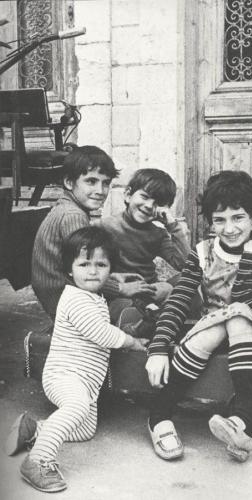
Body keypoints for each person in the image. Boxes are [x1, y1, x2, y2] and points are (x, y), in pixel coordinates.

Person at [145, 170, 252, 463]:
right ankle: (163, 416)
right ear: (210, 221)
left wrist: (250, 260)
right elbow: (180, 298)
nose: (229, 228)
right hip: (210, 332)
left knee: (236, 316)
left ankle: (241, 418)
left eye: (238, 217)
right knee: (222, 321)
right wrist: (158, 349)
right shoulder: (203, 251)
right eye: (219, 220)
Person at [5, 226, 147, 493]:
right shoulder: (76, 299)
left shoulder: (93, 296)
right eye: (84, 264)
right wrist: (132, 341)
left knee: (85, 429)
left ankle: (34, 429)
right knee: (77, 407)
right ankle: (38, 461)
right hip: (64, 376)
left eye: (101, 265)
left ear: (110, 269)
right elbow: (101, 333)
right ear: (69, 270)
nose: (92, 271)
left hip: (84, 381)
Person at [32, 145, 119, 321]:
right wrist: (120, 288)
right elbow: (86, 271)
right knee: (130, 308)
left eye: (106, 183)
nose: (100, 191)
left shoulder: (68, 207)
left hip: (60, 294)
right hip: (66, 302)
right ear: (69, 182)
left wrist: (117, 278)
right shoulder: (73, 216)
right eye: (91, 181)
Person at [99, 168, 191, 326]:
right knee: (127, 312)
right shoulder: (104, 227)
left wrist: (173, 227)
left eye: (157, 203)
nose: (149, 205)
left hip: (149, 290)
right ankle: (147, 322)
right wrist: (118, 287)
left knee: (189, 280)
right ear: (128, 195)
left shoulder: (158, 234)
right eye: (145, 197)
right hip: (121, 293)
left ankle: (156, 316)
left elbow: (185, 265)